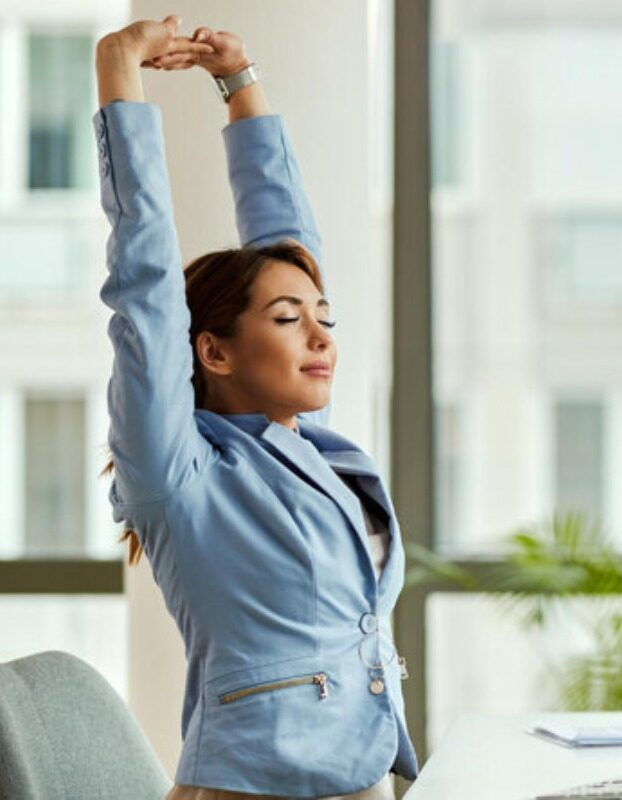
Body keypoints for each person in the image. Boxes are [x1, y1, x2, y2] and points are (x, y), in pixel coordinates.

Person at [93, 15, 418, 800]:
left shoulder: (311, 453)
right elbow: (147, 288)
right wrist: (119, 69)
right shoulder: (179, 472)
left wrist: (239, 83)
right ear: (213, 352)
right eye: (287, 320)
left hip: (362, 777)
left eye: (323, 317)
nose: (321, 336)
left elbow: (289, 240)